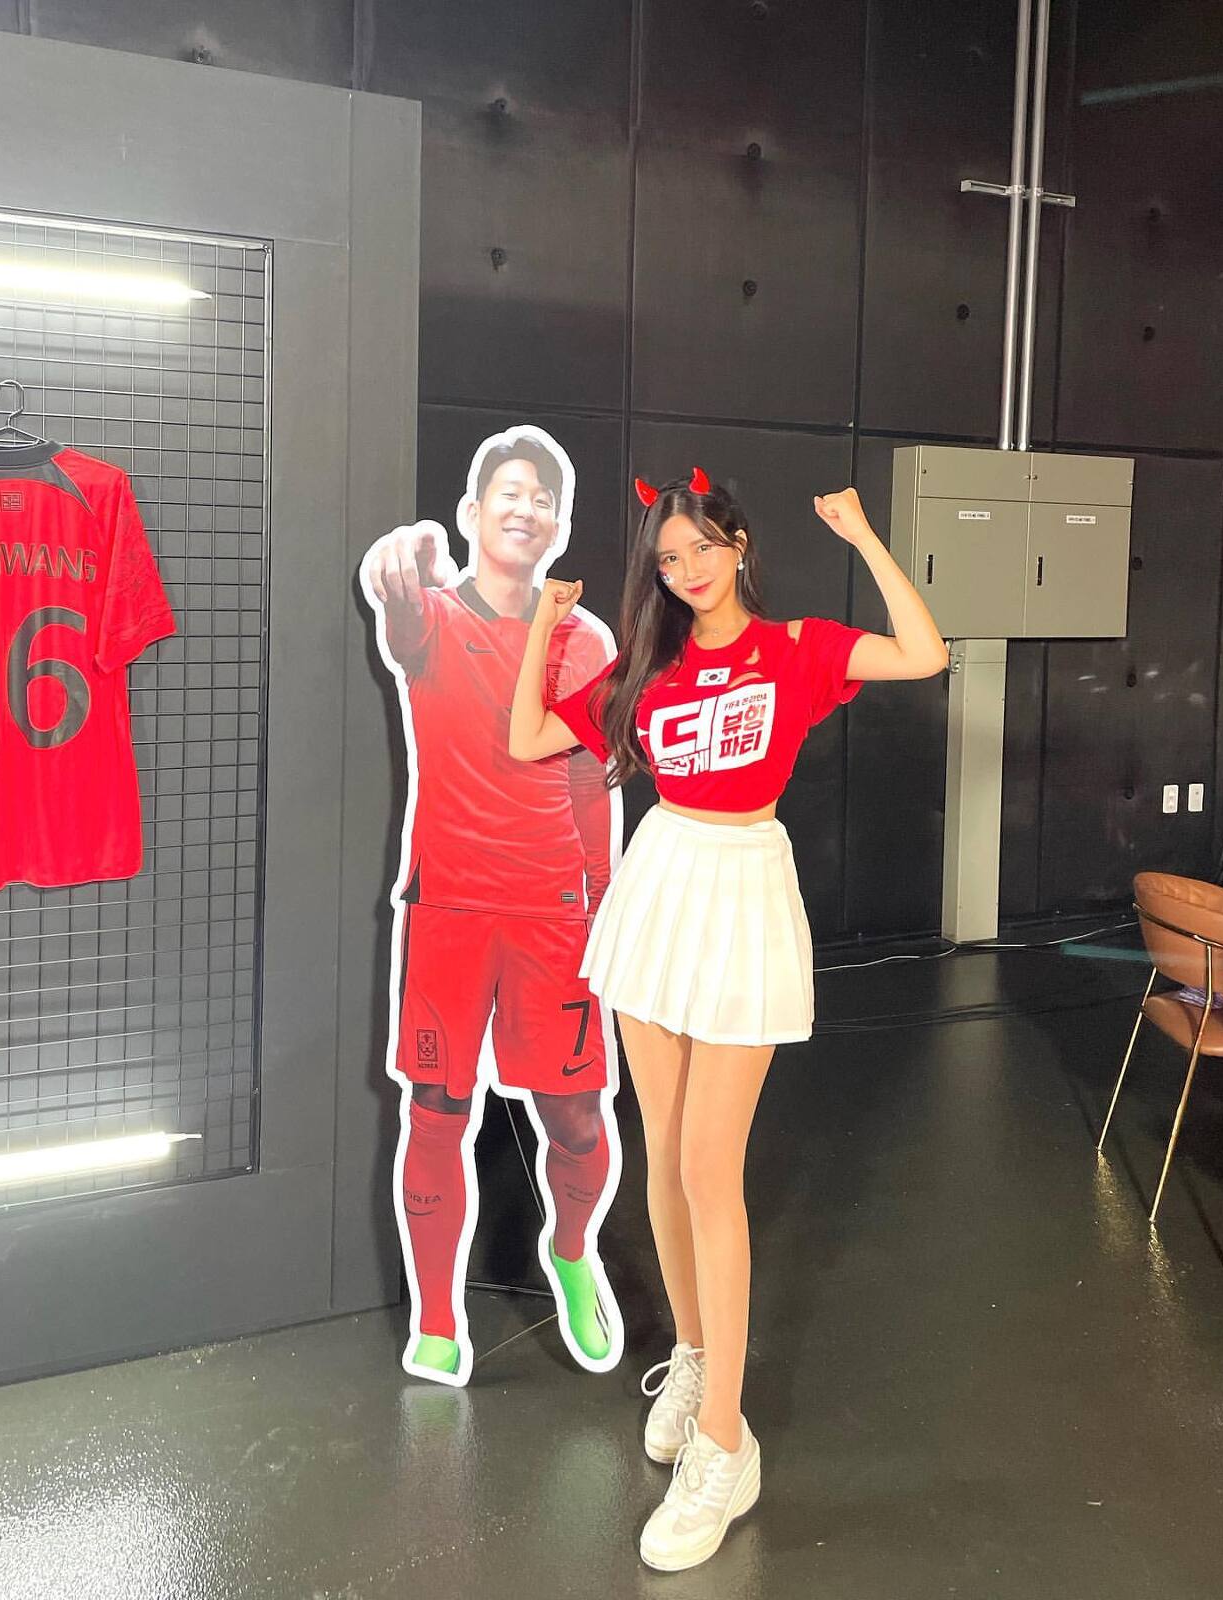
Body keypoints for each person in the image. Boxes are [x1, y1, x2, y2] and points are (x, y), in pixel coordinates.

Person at [509, 468, 948, 1571]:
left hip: (743, 885)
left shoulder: (795, 647)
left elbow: (924, 653)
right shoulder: (649, 667)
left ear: (739, 543)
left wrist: (862, 537)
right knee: (663, 1158)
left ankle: (724, 1447)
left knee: (712, 1170)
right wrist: (544, 627)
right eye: (668, 559)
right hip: (660, 883)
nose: (687, 571)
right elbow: (526, 739)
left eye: (702, 548)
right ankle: (698, 1359)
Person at [360, 426, 623, 1389]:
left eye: (543, 499)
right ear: (476, 513)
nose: (526, 508)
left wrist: (603, 909)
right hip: (450, 912)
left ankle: (572, 1252)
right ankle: (437, 1318)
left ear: (558, 527)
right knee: (436, 1110)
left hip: (554, 916)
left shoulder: (585, 639)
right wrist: (411, 552)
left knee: (578, 1120)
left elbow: (592, 783)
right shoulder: (432, 618)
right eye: (509, 492)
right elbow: (397, 593)